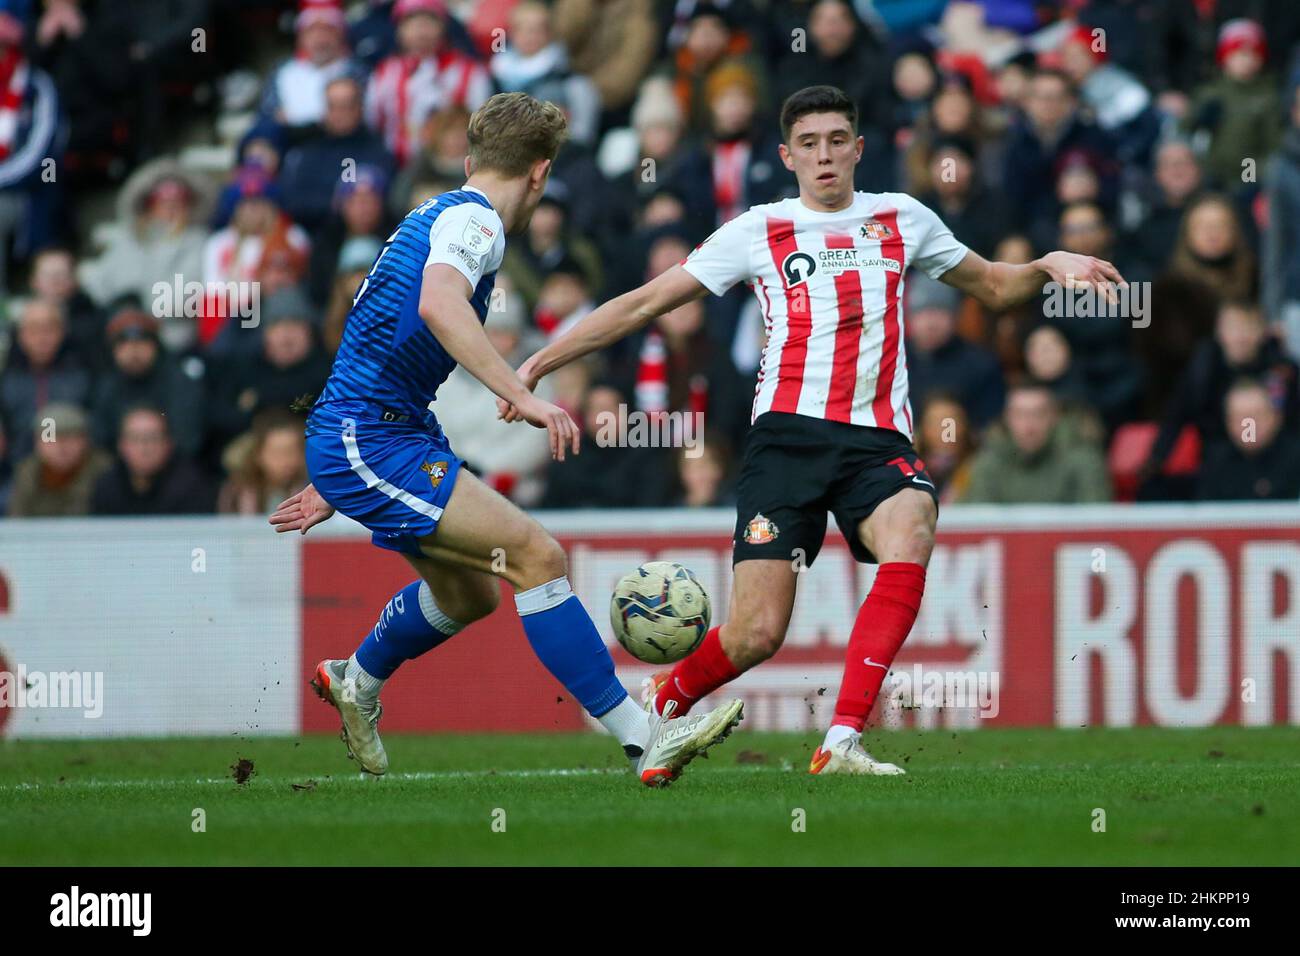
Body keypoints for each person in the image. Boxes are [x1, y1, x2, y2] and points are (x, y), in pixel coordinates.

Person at [505, 85, 1124, 775]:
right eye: (809, 144)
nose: (824, 156)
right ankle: (664, 701)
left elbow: (994, 287)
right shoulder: (758, 229)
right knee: (756, 634)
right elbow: (647, 301)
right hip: (787, 440)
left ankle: (843, 738)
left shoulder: (903, 218)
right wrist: (539, 360)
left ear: (858, 148)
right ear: (787, 156)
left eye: (837, 141)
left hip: (876, 442)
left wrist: (1046, 265)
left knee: (912, 521)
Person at [268, 92, 742, 785]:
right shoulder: (476, 220)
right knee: (536, 554)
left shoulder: (437, 211)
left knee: (472, 597)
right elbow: (438, 304)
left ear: (470, 160)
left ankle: (357, 677)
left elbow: (383, 324)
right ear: (540, 175)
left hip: (378, 433)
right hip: (370, 435)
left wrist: (341, 464)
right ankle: (645, 738)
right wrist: (520, 394)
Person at [961, 383, 1112, 505]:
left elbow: (1097, 521)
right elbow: (978, 521)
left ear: (1054, 416)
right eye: (1020, 415)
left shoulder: (1084, 460)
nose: (1029, 426)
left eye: (1038, 414)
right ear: (1007, 418)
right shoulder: (988, 462)